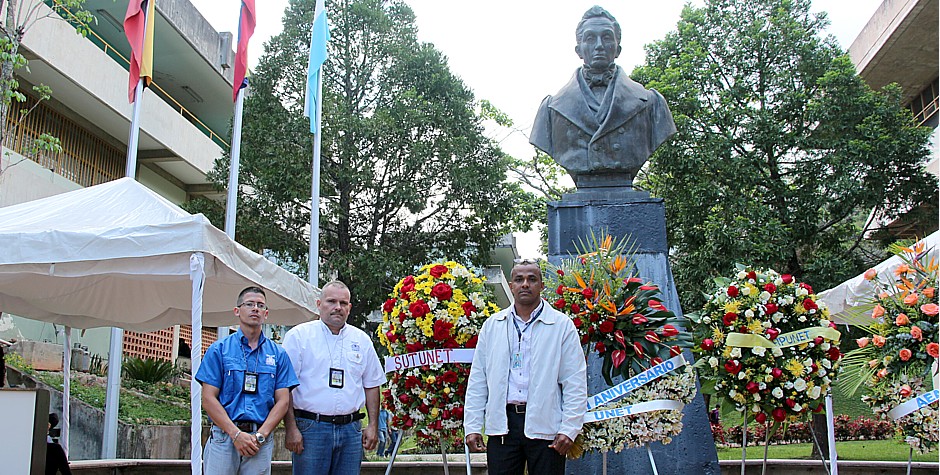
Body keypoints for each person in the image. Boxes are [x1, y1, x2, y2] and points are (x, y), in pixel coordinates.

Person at [529, 6, 676, 190]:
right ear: (579, 50)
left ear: (618, 48)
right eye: (590, 38)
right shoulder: (550, 110)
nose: (599, 45)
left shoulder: (652, 105)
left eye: (606, 37)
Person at [463, 260, 587, 475]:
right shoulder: (493, 325)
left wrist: (569, 429)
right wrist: (472, 426)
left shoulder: (561, 325)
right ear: (511, 286)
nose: (525, 285)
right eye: (519, 280)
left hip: (546, 426)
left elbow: (574, 381)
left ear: (541, 285)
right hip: (504, 427)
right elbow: (478, 380)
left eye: (532, 279)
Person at [283, 280, 387, 475]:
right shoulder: (299, 336)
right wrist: (290, 427)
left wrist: (373, 425)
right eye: (331, 301)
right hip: (310, 429)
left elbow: (372, 385)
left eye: (343, 303)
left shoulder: (361, 340)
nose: (337, 307)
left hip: (351, 431)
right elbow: (284, 387)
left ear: (349, 307)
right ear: (318, 304)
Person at [195, 286, 299, 475]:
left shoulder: (278, 354)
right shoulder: (219, 350)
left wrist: (260, 436)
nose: (255, 309)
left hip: (259, 440)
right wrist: (235, 434)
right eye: (249, 304)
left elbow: (283, 401)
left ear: (266, 314)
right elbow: (208, 398)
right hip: (224, 437)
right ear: (237, 311)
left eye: (260, 305)